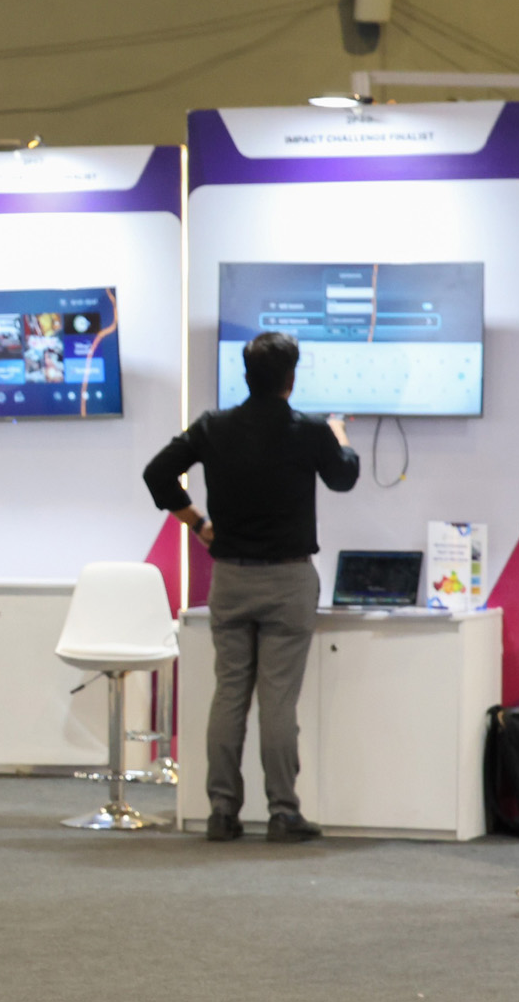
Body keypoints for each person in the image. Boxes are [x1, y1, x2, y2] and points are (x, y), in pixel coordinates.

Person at [142, 331, 359, 844]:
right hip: (288, 579)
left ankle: (222, 811)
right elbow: (343, 478)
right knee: (278, 701)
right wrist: (341, 437)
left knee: (229, 694)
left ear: (246, 374)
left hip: (231, 578)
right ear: (291, 378)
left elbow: (157, 474)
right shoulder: (309, 429)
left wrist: (198, 523)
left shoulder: (214, 426)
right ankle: (283, 812)